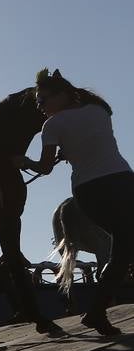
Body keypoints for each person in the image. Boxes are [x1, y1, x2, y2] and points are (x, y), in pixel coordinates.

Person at [28, 68, 131, 335]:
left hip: (89, 191)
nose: (40, 107)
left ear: (62, 95)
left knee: (122, 247)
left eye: (43, 100)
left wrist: (22, 162)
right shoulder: (99, 111)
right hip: (122, 182)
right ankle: (97, 313)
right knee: (123, 247)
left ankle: (97, 313)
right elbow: (93, 135)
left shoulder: (51, 126)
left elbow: (45, 167)